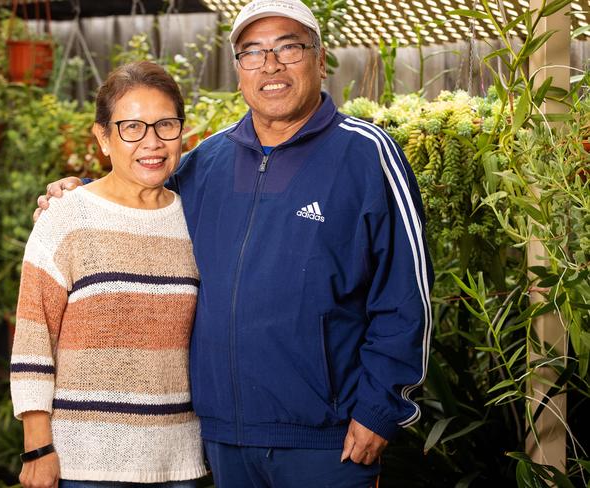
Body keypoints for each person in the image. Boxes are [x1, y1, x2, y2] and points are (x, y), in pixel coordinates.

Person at [35, 0, 433, 486]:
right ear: (239, 69)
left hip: (328, 442)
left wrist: (379, 410)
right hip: (222, 441)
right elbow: (137, 204)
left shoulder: (368, 156)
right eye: (253, 51)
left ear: (320, 58)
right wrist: (75, 193)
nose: (271, 64)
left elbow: (405, 296)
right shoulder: (206, 163)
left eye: (289, 47)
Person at [11, 61, 207, 488]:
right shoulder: (66, 217)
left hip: (178, 459)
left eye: (165, 125)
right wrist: (37, 448)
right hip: (84, 463)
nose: (151, 142)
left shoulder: (197, 219)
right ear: (103, 137)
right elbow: (32, 338)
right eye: (131, 127)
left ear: (182, 132)